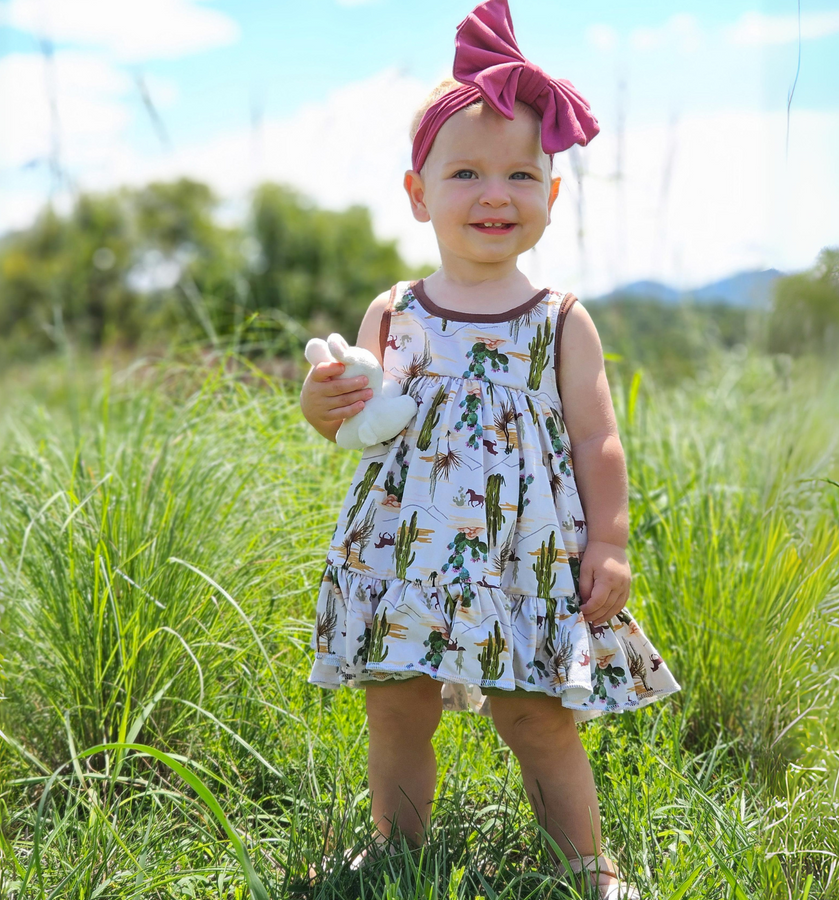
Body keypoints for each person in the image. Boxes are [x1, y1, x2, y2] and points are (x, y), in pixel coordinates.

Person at [300, 2, 680, 896]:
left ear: (550, 196)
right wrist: (324, 402)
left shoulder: (559, 320)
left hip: (527, 555)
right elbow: (357, 422)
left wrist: (611, 543)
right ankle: (397, 850)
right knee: (396, 706)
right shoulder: (396, 312)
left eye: (519, 175)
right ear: (418, 192)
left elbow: (598, 440)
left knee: (536, 715)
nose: (494, 195)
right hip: (407, 551)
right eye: (465, 172)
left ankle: (588, 867)